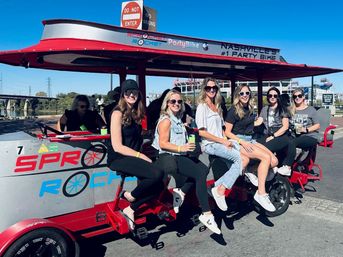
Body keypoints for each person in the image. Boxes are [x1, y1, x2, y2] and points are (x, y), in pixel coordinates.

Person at [152, 89, 221, 234]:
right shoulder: (166, 120)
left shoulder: (178, 119)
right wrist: (181, 147)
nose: (176, 104)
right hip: (171, 157)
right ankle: (207, 214)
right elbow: (163, 144)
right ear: (167, 103)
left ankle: (181, 193)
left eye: (179, 101)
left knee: (203, 170)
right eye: (173, 101)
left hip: (180, 155)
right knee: (200, 174)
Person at [107, 79, 164, 230]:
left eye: (134, 92)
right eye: (128, 92)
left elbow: (134, 136)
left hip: (131, 156)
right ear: (123, 95)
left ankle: (130, 208)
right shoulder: (117, 113)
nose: (132, 95)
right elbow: (117, 146)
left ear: (138, 94)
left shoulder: (134, 113)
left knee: (160, 184)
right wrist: (141, 156)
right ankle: (131, 195)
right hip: (118, 158)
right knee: (157, 174)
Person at [195, 78, 249, 211]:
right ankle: (219, 189)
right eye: (209, 88)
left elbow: (221, 130)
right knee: (238, 159)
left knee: (245, 157)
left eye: (214, 88)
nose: (212, 90)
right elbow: (202, 133)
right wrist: (223, 141)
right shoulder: (202, 107)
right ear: (204, 89)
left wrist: (228, 141)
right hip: (211, 144)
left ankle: (217, 186)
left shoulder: (217, 106)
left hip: (221, 142)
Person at [224, 84, 278, 212]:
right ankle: (261, 193)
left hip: (250, 139)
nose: (244, 96)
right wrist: (241, 141)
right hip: (238, 141)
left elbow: (249, 124)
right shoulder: (233, 110)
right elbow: (227, 132)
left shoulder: (249, 108)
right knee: (265, 158)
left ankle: (251, 170)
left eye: (247, 93)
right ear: (237, 95)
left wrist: (260, 121)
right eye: (241, 93)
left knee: (274, 161)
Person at [255, 87, 295, 176]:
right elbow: (259, 121)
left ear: (278, 97)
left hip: (281, 134)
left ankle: (271, 166)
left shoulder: (283, 109)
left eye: (275, 95)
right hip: (268, 133)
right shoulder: (265, 109)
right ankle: (262, 167)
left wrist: (273, 136)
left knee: (266, 147)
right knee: (255, 145)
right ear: (268, 97)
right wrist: (247, 123)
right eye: (270, 95)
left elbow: (285, 127)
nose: (272, 97)